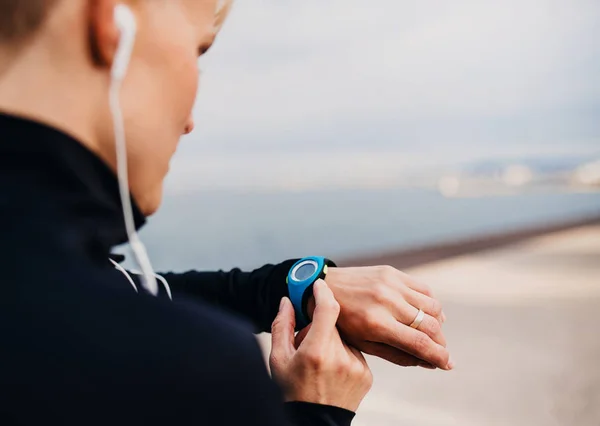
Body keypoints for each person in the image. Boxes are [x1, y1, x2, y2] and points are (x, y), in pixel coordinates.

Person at [0, 1, 451, 425]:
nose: (191, 120)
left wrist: (301, 285)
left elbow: (134, 289)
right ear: (112, 21)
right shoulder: (199, 373)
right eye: (198, 50)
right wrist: (315, 412)